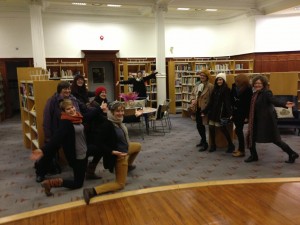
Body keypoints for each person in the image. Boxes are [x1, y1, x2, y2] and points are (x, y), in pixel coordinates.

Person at [31, 99, 102, 196]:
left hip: (84, 150)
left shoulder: (77, 117)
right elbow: (56, 138)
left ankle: (89, 171)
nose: (72, 110)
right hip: (77, 155)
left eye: (72, 107)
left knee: (100, 149)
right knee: (78, 183)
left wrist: (100, 108)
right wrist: (42, 150)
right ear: (64, 112)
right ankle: (50, 183)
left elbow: (87, 117)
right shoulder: (66, 123)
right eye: (68, 109)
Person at [83, 101, 142, 205]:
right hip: (119, 155)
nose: (121, 113)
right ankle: (92, 191)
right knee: (120, 184)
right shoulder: (107, 124)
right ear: (111, 112)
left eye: (122, 111)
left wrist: (136, 115)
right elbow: (98, 142)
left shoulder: (118, 121)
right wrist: (112, 152)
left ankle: (128, 166)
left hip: (126, 148)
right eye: (118, 111)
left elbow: (126, 119)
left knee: (137, 146)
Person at [244, 75, 299, 163]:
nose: (257, 85)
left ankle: (292, 153)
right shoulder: (255, 93)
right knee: (251, 137)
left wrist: (284, 104)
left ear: (264, 84)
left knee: (276, 140)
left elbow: (274, 100)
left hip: (266, 121)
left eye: (260, 83)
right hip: (256, 120)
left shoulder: (266, 92)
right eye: (256, 83)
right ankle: (253, 156)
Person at [202, 73, 235, 153]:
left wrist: (230, 114)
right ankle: (213, 145)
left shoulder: (226, 90)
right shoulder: (215, 89)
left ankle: (231, 145)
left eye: (220, 80)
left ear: (223, 80)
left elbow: (227, 103)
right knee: (211, 128)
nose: (219, 81)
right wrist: (205, 111)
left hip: (220, 113)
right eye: (217, 80)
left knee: (222, 128)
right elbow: (211, 102)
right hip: (213, 112)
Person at [190, 69, 214, 151]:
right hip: (198, 108)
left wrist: (208, 108)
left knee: (203, 125)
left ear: (207, 77)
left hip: (205, 109)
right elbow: (192, 94)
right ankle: (203, 140)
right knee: (199, 125)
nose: (202, 77)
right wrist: (192, 99)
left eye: (203, 76)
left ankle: (205, 143)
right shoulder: (198, 85)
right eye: (201, 75)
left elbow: (212, 99)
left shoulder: (210, 86)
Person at [230, 74, 253, 157]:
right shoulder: (234, 87)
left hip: (242, 113)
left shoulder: (248, 89)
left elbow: (248, 104)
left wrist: (247, 116)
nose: (236, 82)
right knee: (238, 131)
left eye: (237, 81)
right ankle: (240, 149)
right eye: (235, 80)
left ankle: (242, 150)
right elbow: (231, 98)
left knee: (238, 131)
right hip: (235, 112)